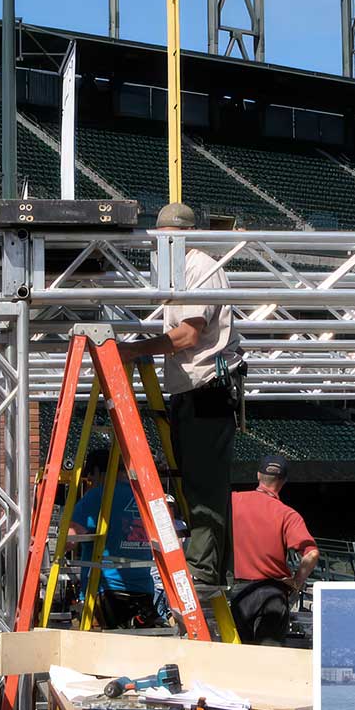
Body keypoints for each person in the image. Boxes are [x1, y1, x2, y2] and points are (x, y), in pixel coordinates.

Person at [118, 202, 243, 591]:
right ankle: (210, 567)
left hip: (208, 386)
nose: (158, 247)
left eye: (164, 239)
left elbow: (188, 335)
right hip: (190, 388)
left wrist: (134, 350)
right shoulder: (176, 269)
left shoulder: (200, 267)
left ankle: (204, 572)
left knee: (205, 487)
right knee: (196, 484)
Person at [67, 449, 166, 629]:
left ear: (97, 472)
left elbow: (69, 540)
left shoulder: (97, 496)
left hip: (105, 591)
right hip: (144, 590)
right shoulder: (147, 498)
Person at [229, 454, 319, 645]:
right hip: (273, 593)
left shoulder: (232, 501)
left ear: (258, 475)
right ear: (283, 481)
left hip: (242, 592)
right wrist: (296, 582)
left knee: (239, 657)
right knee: (270, 659)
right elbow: (311, 554)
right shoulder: (288, 514)